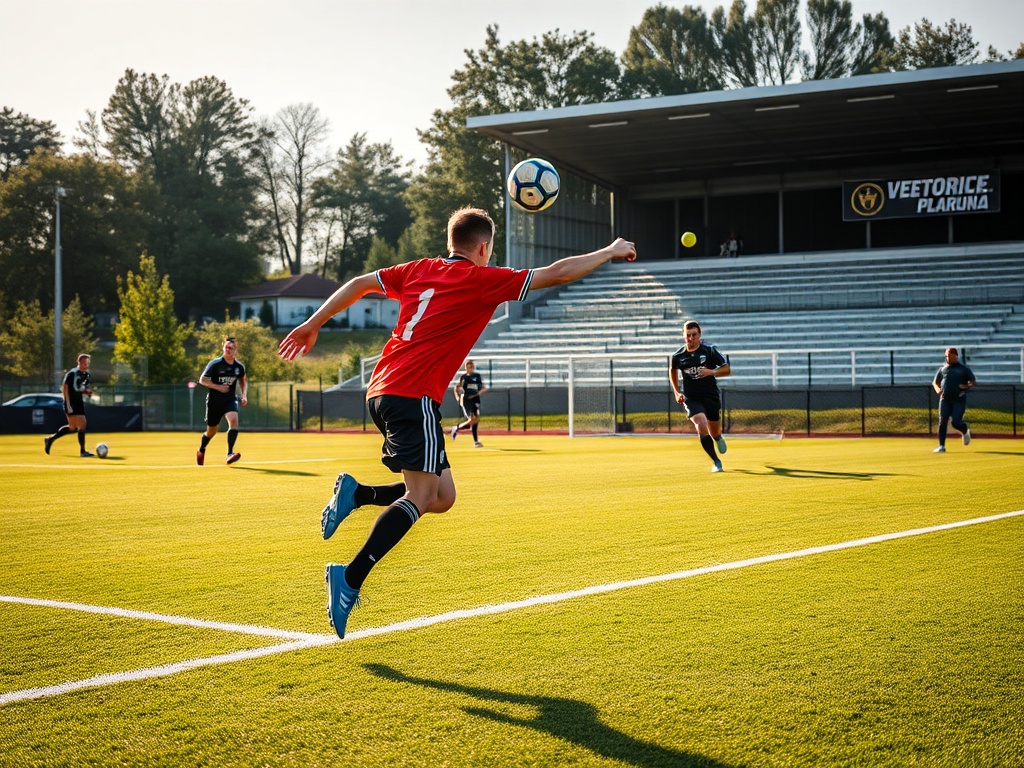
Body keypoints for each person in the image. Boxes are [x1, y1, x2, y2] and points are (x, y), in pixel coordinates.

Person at [278, 206, 636, 638]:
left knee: (442, 496)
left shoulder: (418, 269)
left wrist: (312, 325)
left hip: (382, 389)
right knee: (422, 494)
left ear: (451, 242)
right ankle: (350, 578)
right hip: (413, 396)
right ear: (484, 248)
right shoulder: (482, 280)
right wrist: (610, 250)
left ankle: (358, 494)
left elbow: (356, 284)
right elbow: (558, 273)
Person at [670, 320, 731, 472]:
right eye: (688, 335)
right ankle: (716, 462)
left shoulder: (710, 351)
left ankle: (717, 438)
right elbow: (672, 370)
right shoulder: (678, 356)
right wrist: (677, 392)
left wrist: (712, 372)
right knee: (701, 425)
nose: (691, 338)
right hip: (692, 398)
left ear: (699, 334)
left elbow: (727, 369)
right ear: (683, 336)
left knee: (714, 430)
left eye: (694, 335)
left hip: (710, 395)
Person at [196, 337, 247, 465]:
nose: (228, 350)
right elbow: (202, 380)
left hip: (229, 400)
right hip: (214, 402)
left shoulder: (239, 367)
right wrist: (218, 387)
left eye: (231, 348)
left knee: (234, 421)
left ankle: (230, 453)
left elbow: (243, 380)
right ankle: (201, 449)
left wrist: (244, 395)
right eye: (226, 347)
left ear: (236, 350)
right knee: (211, 432)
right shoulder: (215, 364)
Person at [44, 353, 95, 457]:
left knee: (72, 428)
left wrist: (87, 392)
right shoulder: (72, 373)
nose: (86, 365)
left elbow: (82, 388)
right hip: (71, 402)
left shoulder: (86, 374)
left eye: (87, 363)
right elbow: (66, 387)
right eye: (84, 363)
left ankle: (50, 439)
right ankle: (82, 451)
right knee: (82, 424)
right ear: (79, 362)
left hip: (79, 402)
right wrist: (67, 403)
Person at [932, 346, 975, 453]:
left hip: (958, 399)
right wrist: (938, 389)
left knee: (955, 422)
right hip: (945, 399)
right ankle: (941, 446)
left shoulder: (963, 369)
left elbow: (972, 381)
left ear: (956, 356)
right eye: (947, 356)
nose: (948, 358)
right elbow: (935, 382)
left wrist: (966, 386)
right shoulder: (943, 369)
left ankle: (964, 429)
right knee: (942, 422)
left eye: (951, 356)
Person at [451, 359, 487, 447]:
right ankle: (456, 428)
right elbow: (456, 388)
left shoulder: (477, 376)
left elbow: (483, 388)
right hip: (467, 400)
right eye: (468, 366)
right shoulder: (463, 377)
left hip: (475, 400)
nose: (470, 368)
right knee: (472, 419)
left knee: (475, 421)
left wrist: (476, 394)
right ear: (465, 367)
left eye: (471, 366)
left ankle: (476, 441)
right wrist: (458, 398)